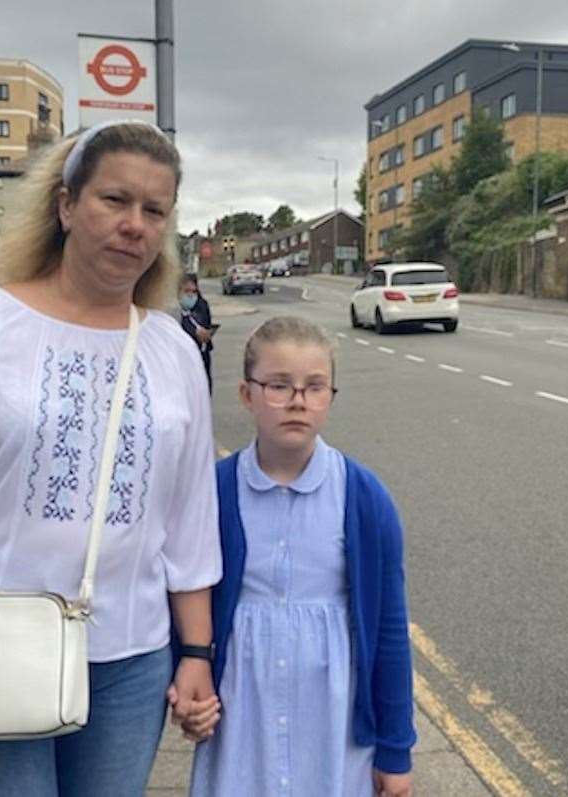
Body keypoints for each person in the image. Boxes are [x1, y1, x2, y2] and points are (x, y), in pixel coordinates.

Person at [0, 120, 222, 797]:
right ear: (65, 205)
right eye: (114, 200)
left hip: (131, 658)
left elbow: (190, 520)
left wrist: (195, 651)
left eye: (154, 211)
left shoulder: (173, 349)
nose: (134, 225)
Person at [183, 316, 417, 797]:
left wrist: (395, 751)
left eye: (315, 387)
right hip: (242, 713)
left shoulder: (364, 498)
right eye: (278, 385)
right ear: (247, 394)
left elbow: (389, 630)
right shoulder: (215, 492)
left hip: (332, 720)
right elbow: (188, 597)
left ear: (330, 396)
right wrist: (186, 679)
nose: (297, 401)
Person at [177, 273, 214, 392]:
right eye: (187, 291)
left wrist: (207, 336)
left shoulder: (201, 306)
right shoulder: (173, 313)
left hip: (202, 355)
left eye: (194, 291)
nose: (191, 295)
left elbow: (207, 324)